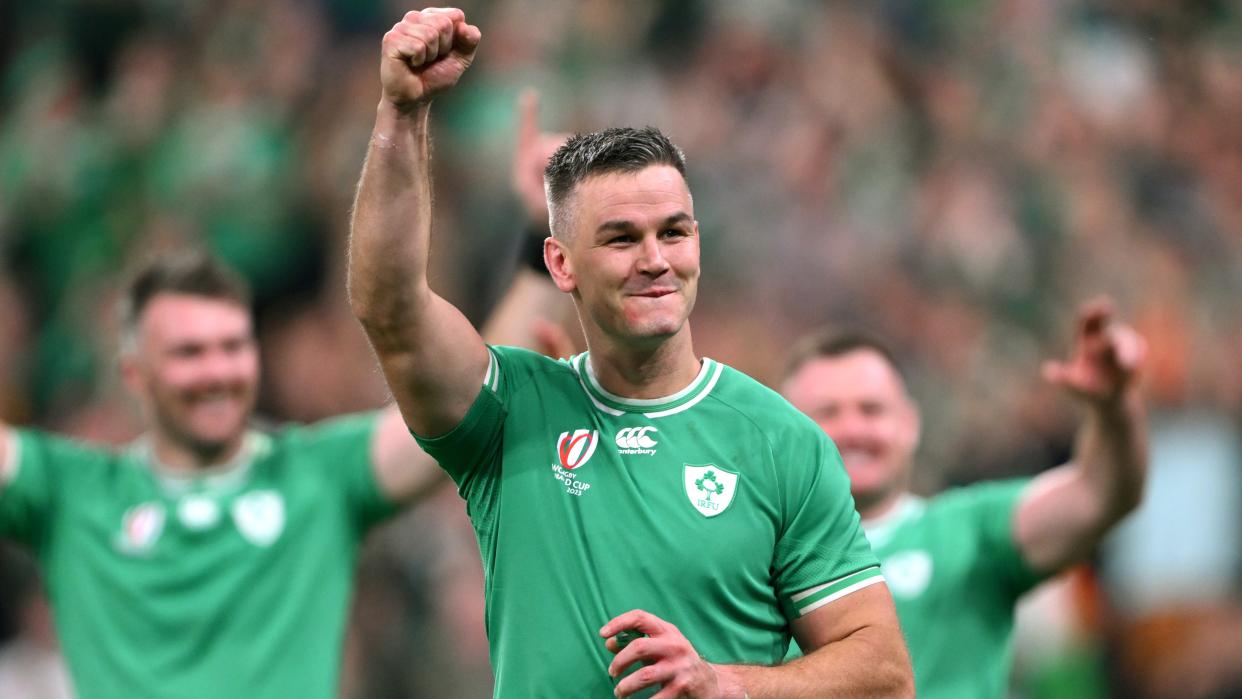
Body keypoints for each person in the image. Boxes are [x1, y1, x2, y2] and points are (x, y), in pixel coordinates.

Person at [348, 8, 913, 698]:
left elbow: (883, 674)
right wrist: (402, 115)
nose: (655, 260)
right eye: (620, 238)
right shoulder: (508, 413)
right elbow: (391, 310)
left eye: (674, 232)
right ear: (560, 263)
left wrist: (727, 683)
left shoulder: (780, 442)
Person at [0, 242, 552, 698]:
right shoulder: (71, 490)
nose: (217, 371)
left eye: (232, 347)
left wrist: (539, 243)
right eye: (190, 353)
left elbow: (461, 402)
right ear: (135, 374)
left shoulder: (316, 474)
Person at [779, 300, 1149, 698]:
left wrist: (1114, 409)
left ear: (910, 424)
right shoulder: (748, 558)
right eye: (827, 413)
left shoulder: (968, 531)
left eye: (872, 410)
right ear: (783, 435)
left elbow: (1098, 494)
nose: (852, 429)